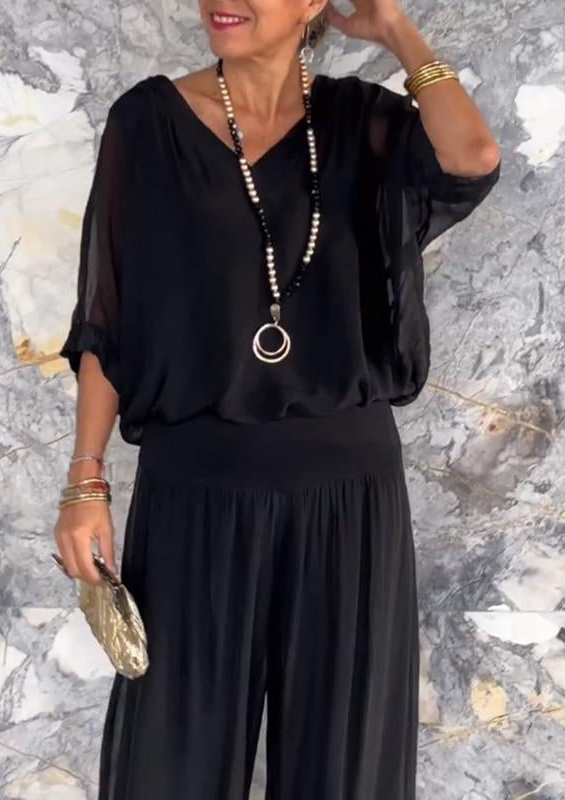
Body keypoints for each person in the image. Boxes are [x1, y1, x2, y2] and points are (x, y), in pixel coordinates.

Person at [54, 0, 501, 797]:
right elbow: (109, 323)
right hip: (194, 493)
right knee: (170, 768)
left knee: (345, 774)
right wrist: (85, 482)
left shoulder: (364, 122)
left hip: (347, 500)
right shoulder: (147, 124)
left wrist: (396, 30)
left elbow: (472, 158)